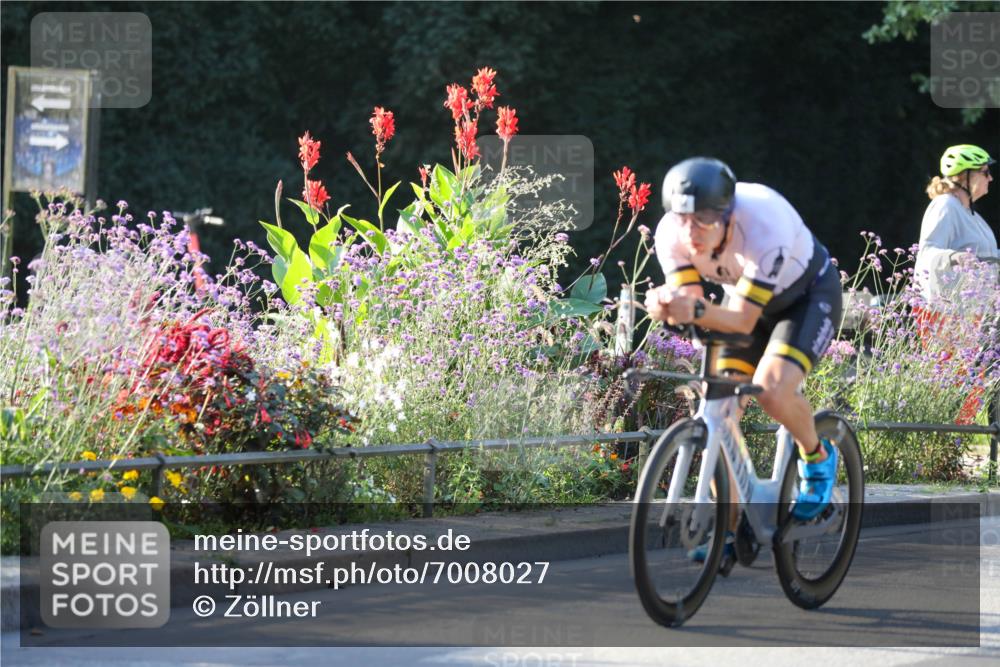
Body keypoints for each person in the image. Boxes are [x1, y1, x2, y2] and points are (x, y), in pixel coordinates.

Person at [644, 157, 843, 560]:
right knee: (717, 409)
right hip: (742, 302)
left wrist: (693, 312)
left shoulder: (763, 222)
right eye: (682, 218)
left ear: (728, 216)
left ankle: (818, 458)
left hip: (805, 300)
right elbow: (693, 304)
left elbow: (743, 320)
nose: (690, 232)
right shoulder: (671, 234)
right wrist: (666, 305)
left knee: (772, 390)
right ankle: (730, 532)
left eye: (702, 221)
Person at [913, 144, 998, 424]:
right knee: (951, 390)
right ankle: (935, 457)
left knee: (970, 390)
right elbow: (926, 253)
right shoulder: (945, 206)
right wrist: (955, 257)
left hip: (970, 315)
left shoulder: (972, 215)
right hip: (945, 315)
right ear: (966, 176)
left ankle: (949, 456)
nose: (990, 178)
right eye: (985, 172)